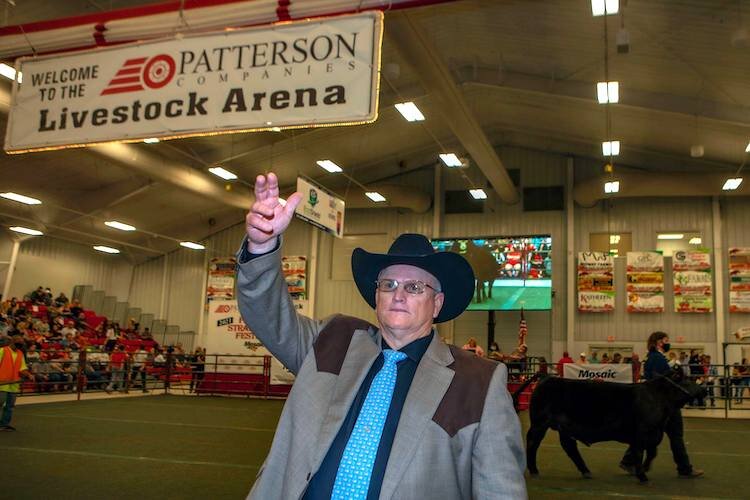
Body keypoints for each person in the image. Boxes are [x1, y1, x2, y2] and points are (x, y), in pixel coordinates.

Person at [237, 173, 526, 499]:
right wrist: (261, 247)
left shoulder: (479, 382)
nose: (398, 295)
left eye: (414, 287)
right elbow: (268, 315)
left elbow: (501, 490)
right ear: (376, 296)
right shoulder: (332, 339)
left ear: (437, 303)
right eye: (388, 285)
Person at [620, 331, 703, 478]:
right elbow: (667, 382)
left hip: (655, 404)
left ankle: (628, 461)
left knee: (646, 434)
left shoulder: (651, 357)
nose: (668, 343)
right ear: (659, 342)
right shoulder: (658, 358)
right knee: (676, 436)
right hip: (666, 404)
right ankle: (684, 468)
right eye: (666, 340)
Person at [0, 335, 34, 430]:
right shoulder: (3, 350)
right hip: (2, 384)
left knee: (10, 406)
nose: (20, 344)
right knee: (0, 402)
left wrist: (28, 374)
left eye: (22, 343)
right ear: (12, 341)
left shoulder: (20, 353)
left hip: (14, 384)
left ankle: (4, 424)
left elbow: (22, 368)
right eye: (19, 342)